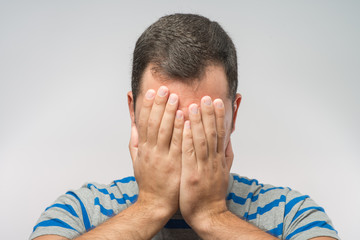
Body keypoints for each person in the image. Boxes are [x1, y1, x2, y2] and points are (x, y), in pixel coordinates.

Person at [30, 13, 339, 240]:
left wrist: (213, 216)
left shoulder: (290, 213)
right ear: (133, 111)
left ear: (234, 114)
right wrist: (150, 206)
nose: (183, 138)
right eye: (164, 116)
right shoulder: (80, 211)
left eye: (202, 119)